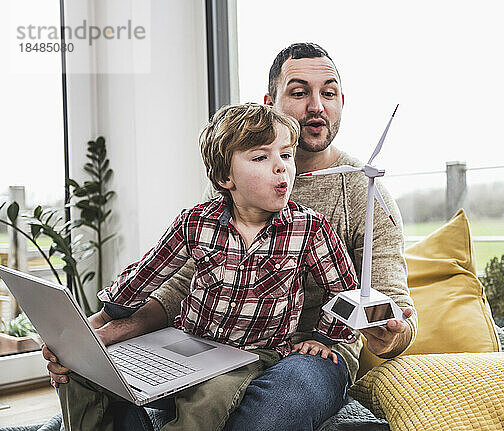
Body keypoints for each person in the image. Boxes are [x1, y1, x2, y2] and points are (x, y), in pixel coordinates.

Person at [45, 42, 419, 430]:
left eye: (328, 93)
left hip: (307, 351)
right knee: (95, 391)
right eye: (298, 92)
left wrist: (385, 333)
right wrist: (106, 330)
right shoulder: (224, 193)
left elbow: (387, 302)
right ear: (270, 102)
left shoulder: (358, 194)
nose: (316, 106)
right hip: (212, 340)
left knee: (264, 418)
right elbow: (182, 279)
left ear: (341, 100)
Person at [56, 102, 360, 431]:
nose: (281, 168)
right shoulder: (195, 221)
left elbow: (343, 289)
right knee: (82, 371)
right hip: (189, 343)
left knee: (208, 398)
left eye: (286, 155)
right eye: (261, 157)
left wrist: (326, 338)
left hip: (254, 355)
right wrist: (109, 313)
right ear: (224, 177)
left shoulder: (309, 228)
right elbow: (147, 273)